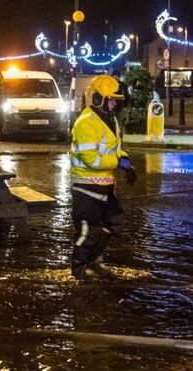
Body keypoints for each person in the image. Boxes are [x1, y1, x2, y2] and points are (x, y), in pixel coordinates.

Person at [69, 75, 137, 280]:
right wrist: (118, 163)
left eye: (116, 100)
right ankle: (79, 269)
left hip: (106, 185)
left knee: (114, 222)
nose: (114, 103)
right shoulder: (86, 123)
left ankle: (94, 262)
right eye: (111, 99)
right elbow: (92, 159)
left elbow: (115, 149)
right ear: (98, 98)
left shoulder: (109, 120)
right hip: (86, 186)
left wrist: (127, 162)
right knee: (88, 231)